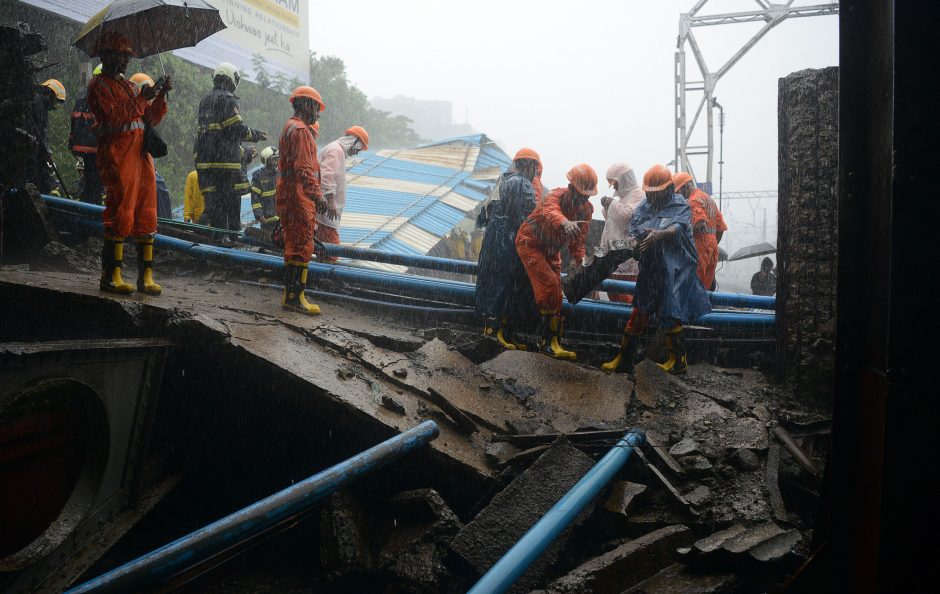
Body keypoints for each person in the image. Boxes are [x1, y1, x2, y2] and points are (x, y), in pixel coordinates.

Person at [601, 165, 711, 374]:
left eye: (655, 193)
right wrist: (636, 242)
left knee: (670, 312)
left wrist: (659, 235)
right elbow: (635, 224)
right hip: (653, 266)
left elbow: (676, 228)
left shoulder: (679, 205)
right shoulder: (645, 205)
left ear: (668, 190)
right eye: (649, 193)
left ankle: (678, 361)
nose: (650, 198)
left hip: (676, 267)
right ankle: (624, 358)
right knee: (640, 309)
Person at [86, 32, 173, 296]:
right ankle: (111, 275)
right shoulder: (98, 86)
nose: (125, 60)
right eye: (121, 54)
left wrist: (160, 96)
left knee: (147, 211)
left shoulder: (129, 86)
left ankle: (145, 277)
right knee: (120, 211)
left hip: (140, 155)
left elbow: (150, 119)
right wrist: (142, 98)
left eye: (126, 55)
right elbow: (112, 117)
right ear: (107, 56)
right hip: (117, 155)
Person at [515, 164, 597, 361]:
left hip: (552, 251)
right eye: (579, 195)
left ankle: (553, 341)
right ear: (570, 188)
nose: (582, 200)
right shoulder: (554, 196)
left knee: (557, 292)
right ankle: (547, 342)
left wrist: (582, 262)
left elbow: (578, 242)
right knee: (549, 285)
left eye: (586, 197)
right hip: (531, 243)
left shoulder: (586, 210)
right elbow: (551, 211)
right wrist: (565, 223)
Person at [476, 148, 542, 350]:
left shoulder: (503, 181)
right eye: (536, 167)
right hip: (509, 242)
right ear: (530, 165)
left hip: (492, 241)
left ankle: (492, 330)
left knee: (491, 281)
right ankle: (499, 334)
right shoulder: (524, 184)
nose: (536, 172)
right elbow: (528, 219)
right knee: (506, 285)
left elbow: (482, 216)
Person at [194, 62, 267, 231]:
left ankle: (215, 238)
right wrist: (255, 135)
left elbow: (217, 135)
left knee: (215, 205)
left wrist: (245, 152)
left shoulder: (205, 100)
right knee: (231, 203)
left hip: (206, 162)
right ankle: (230, 240)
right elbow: (236, 129)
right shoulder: (227, 98)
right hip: (225, 165)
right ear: (232, 79)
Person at [275, 86, 326, 315]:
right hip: (297, 194)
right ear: (306, 104)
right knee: (302, 243)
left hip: (289, 190)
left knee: (294, 243)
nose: (318, 112)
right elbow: (305, 168)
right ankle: (296, 298)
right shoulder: (301, 131)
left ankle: (292, 295)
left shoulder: (289, 127)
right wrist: (317, 195)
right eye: (316, 106)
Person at [316, 125, 369, 262]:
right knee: (331, 248)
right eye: (358, 148)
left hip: (325, 210)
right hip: (327, 210)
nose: (356, 153)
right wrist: (331, 202)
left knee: (322, 245)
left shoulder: (336, 150)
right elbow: (327, 176)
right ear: (354, 140)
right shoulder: (336, 150)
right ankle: (328, 274)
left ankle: (322, 271)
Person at [599, 163, 645, 304]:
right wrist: (607, 208)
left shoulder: (639, 195)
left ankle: (629, 324)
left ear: (624, 180)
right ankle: (622, 324)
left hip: (627, 263)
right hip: (614, 259)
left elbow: (628, 217)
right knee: (615, 294)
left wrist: (611, 204)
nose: (614, 187)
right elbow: (613, 224)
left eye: (615, 183)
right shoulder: (624, 199)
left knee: (626, 298)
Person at [674, 172, 727, 291]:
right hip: (712, 246)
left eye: (679, 192)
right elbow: (721, 228)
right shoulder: (708, 199)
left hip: (700, 246)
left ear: (686, 187)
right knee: (706, 286)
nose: (679, 195)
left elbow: (700, 224)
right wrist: (712, 243)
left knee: (695, 284)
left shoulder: (693, 200)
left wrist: (681, 233)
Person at [129, 73, 172, 220]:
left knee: (158, 189)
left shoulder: (142, 107)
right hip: (129, 158)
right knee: (155, 189)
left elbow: (153, 117)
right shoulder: (130, 107)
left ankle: (162, 225)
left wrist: (162, 94)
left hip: (140, 156)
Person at [70, 67, 103, 204]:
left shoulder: (83, 96)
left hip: (83, 148)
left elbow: (74, 123)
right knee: (95, 184)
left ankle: (86, 211)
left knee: (90, 183)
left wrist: (72, 144)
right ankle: (91, 213)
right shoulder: (100, 98)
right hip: (95, 149)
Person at [26, 79, 66, 194]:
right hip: (31, 151)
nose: (54, 104)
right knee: (35, 177)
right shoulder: (37, 102)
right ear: (51, 94)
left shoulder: (42, 105)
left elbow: (42, 132)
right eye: (55, 101)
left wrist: (46, 150)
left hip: (35, 150)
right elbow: (36, 131)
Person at [251, 146, 280, 233]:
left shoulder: (280, 174)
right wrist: (259, 214)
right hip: (267, 219)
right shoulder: (258, 176)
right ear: (266, 160)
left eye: (277, 159)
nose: (275, 162)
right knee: (268, 240)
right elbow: (255, 198)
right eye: (272, 160)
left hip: (281, 218)